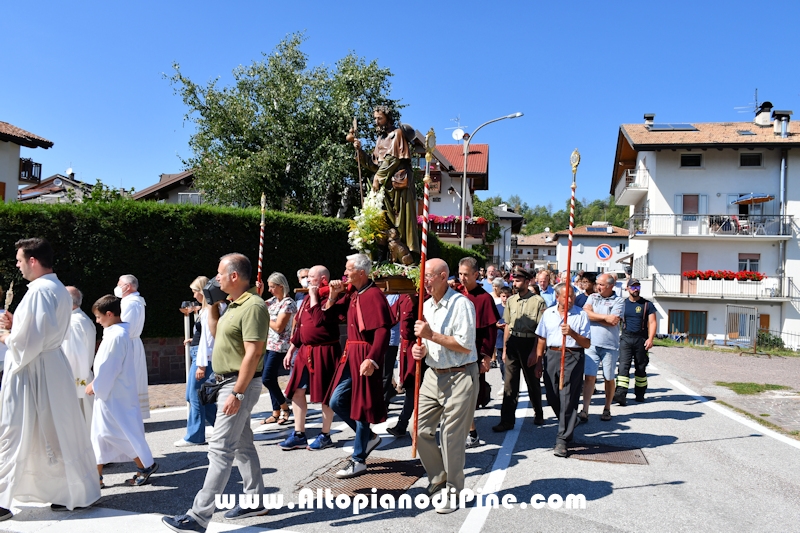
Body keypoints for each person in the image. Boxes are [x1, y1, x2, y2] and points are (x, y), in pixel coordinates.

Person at [162, 253, 270, 532]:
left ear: (235, 276)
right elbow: (213, 332)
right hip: (226, 382)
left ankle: (198, 517)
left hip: (237, 385)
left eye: (220, 273)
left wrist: (238, 393)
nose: (216, 278)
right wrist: (211, 304)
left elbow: (254, 352)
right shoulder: (231, 305)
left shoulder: (253, 306)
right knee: (243, 445)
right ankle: (255, 500)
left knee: (220, 449)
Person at [0, 238, 100, 519]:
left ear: (33, 260)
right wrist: (15, 326)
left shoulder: (40, 291)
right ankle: (75, 492)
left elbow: (31, 340)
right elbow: (41, 328)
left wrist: (7, 337)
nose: (18, 266)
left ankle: (1, 500)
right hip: (49, 367)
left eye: (20, 260)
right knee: (61, 429)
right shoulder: (54, 288)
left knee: (13, 430)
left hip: (33, 368)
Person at [412, 258, 477, 514]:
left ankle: (453, 491)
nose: (424, 281)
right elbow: (429, 343)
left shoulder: (462, 304)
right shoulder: (426, 306)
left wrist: (431, 336)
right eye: (423, 277)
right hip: (433, 373)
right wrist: (421, 349)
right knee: (417, 429)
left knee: (451, 436)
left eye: (428, 276)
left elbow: (464, 345)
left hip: (460, 374)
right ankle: (438, 478)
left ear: (442, 276)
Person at [324, 254, 391, 478]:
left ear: (361, 272)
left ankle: (358, 459)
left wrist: (372, 359)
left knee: (361, 406)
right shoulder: (354, 293)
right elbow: (334, 314)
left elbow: (382, 331)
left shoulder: (374, 295)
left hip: (364, 356)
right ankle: (369, 438)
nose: (345, 274)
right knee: (336, 400)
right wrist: (333, 296)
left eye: (349, 270)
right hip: (351, 354)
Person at [87, 295, 158, 489]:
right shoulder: (116, 334)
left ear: (109, 314)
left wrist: (96, 385)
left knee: (113, 433)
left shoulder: (116, 336)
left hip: (112, 394)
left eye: (99, 316)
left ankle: (145, 465)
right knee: (101, 435)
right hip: (112, 392)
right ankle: (96, 476)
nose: (97, 320)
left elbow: (110, 367)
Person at [280, 265, 341, 451]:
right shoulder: (306, 298)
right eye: (307, 277)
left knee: (325, 394)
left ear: (322, 278)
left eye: (311, 277)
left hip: (325, 351)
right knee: (297, 390)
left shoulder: (332, 297)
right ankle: (299, 434)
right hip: (305, 351)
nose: (307, 280)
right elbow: (300, 326)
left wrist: (316, 295)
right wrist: (292, 348)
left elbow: (319, 320)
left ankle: (325, 434)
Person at [352, 105, 419, 256]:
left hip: (397, 186)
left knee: (400, 221)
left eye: (380, 118)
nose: (377, 122)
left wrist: (378, 177)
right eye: (375, 119)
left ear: (388, 119)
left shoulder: (397, 134)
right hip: (384, 186)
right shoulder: (380, 139)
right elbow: (375, 164)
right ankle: (384, 257)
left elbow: (393, 159)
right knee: (383, 221)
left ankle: (406, 255)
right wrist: (360, 152)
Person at [533, 283, 591, 458]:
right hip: (552, 355)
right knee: (552, 395)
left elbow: (587, 343)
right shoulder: (548, 314)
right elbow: (542, 338)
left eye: (573, 295)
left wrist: (572, 333)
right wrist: (538, 361)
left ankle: (562, 440)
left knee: (566, 396)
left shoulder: (581, 314)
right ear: (557, 297)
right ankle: (569, 422)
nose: (571, 299)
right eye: (567, 296)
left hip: (573, 355)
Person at [493, 268, 547, 432]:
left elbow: (541, 330)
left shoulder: (538, 301)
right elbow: (508, 325)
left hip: (530, 342)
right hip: (513, 343)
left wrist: (535, 354)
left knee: (532, 383)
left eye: (517, 280)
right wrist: (504, 349)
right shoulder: (511, 300)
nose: (514, 283)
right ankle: (507, 421)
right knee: (510, 384)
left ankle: (538, 412)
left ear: (527, 281)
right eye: (513, 280)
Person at [457, 257, 498, 448]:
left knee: (468, 396)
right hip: (453, 353)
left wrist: (486, 356)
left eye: (466, 274)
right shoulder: (454, 294)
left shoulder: (485, 298)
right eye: (460, 274)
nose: (462, 278)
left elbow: (489, 332)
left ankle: (471, 433)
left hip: (473, 355)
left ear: (476, 274)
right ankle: (466, 431)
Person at [175, 276, 218, 447]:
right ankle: (223, 427)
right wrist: (193, 340)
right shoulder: (205, 310)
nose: (193, 295)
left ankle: (195, 435)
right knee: (200, 396)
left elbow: (209, 339)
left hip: (203, 358)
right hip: (199, 354)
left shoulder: (208, 311)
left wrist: (202, 364)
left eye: (195, 291)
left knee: (195, 396)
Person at [580, 274, 624, 422]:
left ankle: (607, 408)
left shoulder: (618, 301)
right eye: (597, 284)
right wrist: (605, 317)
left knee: (608, 377)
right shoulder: (592, 297)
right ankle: (585, 409)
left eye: (601, 284)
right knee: (589, 377)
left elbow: (614, 321)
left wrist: (595, 316)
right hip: (591, 343)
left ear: (611, 286)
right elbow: (585, 314)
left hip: (609, 345)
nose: (598, 287)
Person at [259, 272, 296, 427]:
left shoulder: (288, 303)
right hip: (268, 344)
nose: (270, 290)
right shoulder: (272, 302)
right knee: (270, 378)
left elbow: (279, 327)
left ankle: (284, 407)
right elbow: (257, 305)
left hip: (279, 346)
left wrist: (265, 317)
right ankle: (276, 412)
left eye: (273, 287)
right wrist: (258, 293)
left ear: (281, 286)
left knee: (267, 378)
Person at [614, 278, 657, 405]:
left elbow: (653, 322)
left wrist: (650, 339)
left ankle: (640, 393)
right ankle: (620, 394)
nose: (635, 289)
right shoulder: (622, 303)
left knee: (641, 368)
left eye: (638, 287)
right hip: (626, 338)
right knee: (623, 367)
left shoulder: (647, 305)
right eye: (633, 287)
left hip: (641, 339)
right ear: (627, 289)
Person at [62, 285, 97, 432]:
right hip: (80, 378)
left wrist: (72, 385)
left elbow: (74, 357)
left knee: (80, 424)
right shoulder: (79, 319)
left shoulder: (74, 324)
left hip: (76, 379)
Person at [115, 274, 149, 419]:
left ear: (127, 286)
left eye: (119, 283)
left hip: (128, 344)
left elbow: (124, 326)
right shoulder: (135, 301)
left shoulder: (131, 303)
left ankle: (128, 414)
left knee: (127, 379)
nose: (117, 286)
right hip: (133, 343)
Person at [386, 294, 419, 438]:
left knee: (414, 386)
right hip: (406, 347)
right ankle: (403, 425)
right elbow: (391, 316)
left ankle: (403, 424)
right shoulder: (403, 296)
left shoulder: (423, 297)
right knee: (411, 386)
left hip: (419, 346)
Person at [382, 293, 401, 408]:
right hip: (378, 338)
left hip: (390, 339)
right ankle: (390, 390)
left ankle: (383, 403)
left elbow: (393, 317)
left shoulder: (395, 296)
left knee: (386, 372)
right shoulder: (379, 294)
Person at [494, 286, 512, 378]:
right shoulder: (496, 308)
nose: (505, 299)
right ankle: (504, 380)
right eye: (503, 296)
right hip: (500, 338)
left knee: (510, 362)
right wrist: (496, 325)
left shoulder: (513, 307)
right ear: (500, 296)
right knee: (501, 361)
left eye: (508, 296)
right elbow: (492, 321)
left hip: (511, 338)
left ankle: (509, 382)